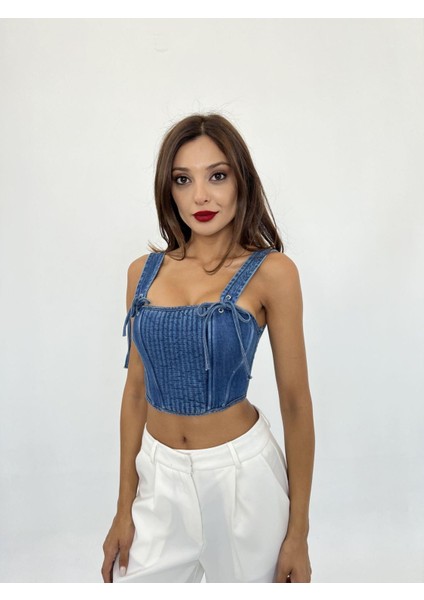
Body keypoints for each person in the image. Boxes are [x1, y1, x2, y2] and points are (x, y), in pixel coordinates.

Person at [101, 113, 315, 583]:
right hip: (159, 477)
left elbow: (296, 404)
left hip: (243, 479)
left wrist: (298, 533)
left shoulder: (273, 273)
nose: (200, 196)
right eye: (183, 179)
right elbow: (135, 393)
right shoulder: (142, 272)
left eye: (217, 176)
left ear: (241, 181)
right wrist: (123, 507)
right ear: (168, 189)